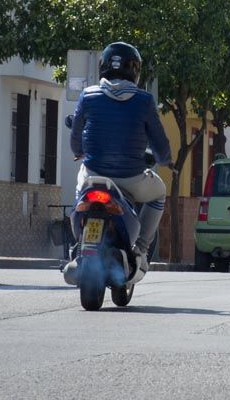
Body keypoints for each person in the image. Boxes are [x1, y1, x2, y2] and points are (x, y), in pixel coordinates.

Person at [65, 41, 172, 280]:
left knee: (80, 194)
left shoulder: (87, 95)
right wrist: (165, 159)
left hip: (94, 174)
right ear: (135, 70)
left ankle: (78, 244)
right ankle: (141, 249)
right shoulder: (144, 101)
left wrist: (79, 151)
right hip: (131, 178)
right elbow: (160, 143)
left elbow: (75, 139)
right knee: (159, 193)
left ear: (103, 66)